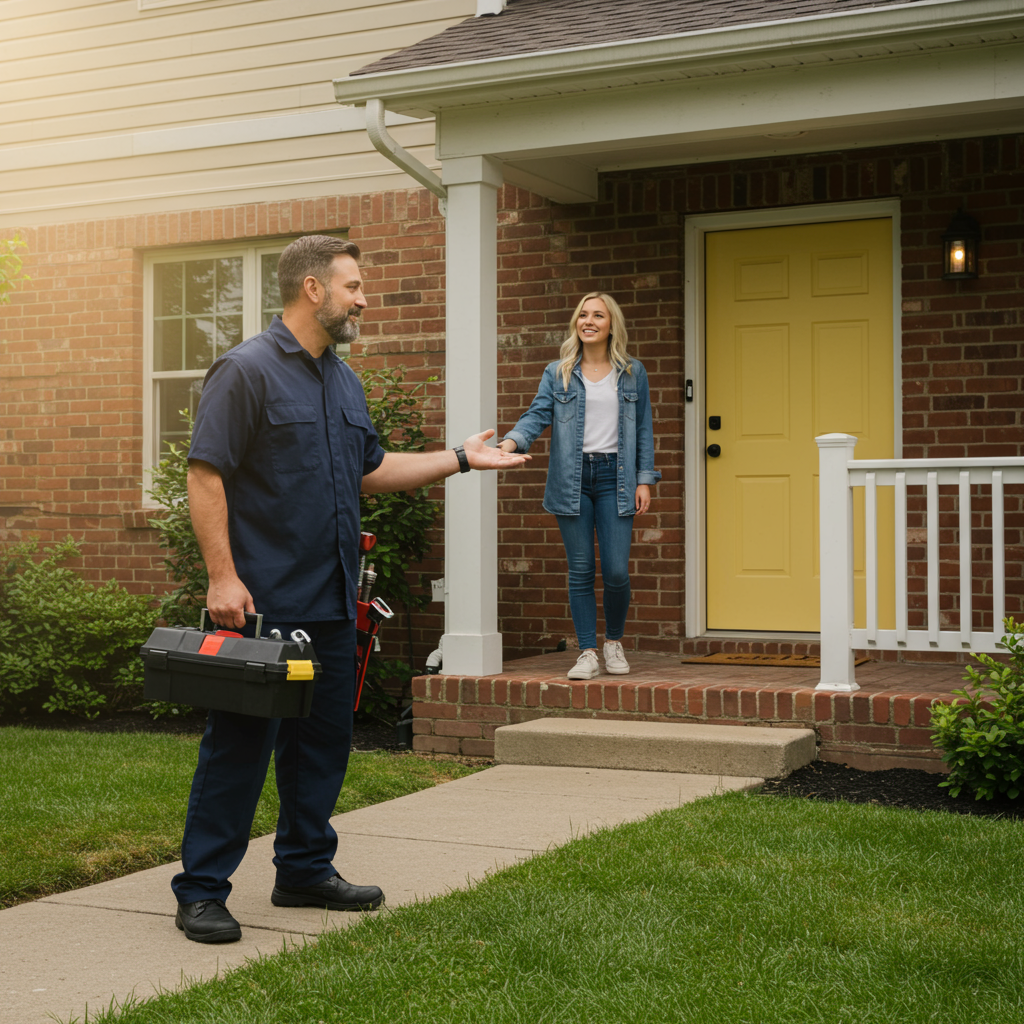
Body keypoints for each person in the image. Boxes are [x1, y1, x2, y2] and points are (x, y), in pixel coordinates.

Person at [173, 234, 528, 944]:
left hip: (333, 599)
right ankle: (203, 890)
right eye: (354, 286)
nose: (363, 298)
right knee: (238, 747)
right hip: (264, 598)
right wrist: (223, 576)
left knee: (321, 746)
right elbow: (205, 472)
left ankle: (303, 868)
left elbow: (370, 470)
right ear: (313, 289)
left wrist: (459, 459)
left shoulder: (342, 379)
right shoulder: (244, 371)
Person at [499, 293, 659, 681]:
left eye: (598, 315)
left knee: (617, 571)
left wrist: (644, 479)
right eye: (583, 315)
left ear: (610, 325)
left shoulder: (632, 372)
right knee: (582, 569)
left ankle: (613, 642)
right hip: (572, 478)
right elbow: (537, 414)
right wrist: (510, 442)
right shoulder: (559, 372)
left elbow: (643, 430)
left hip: (615, 479)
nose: (589, 321)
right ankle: (587, 650)